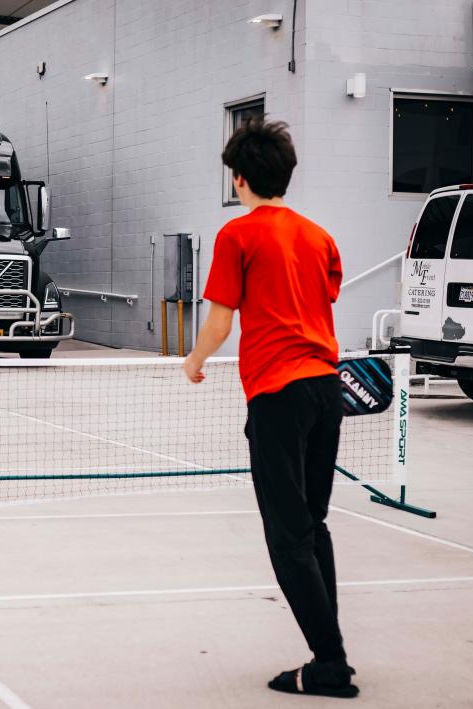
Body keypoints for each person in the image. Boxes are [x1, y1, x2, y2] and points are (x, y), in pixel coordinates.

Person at [183, 117, 357, 698]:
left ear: (238, 180)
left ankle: (330, 663)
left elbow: (220, 319)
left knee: (288, 537)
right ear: (285, 174)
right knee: (313, 523)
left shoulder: (237, 236)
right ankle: (331, 651)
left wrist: (193, 360)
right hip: (326, 390)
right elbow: (324, 293)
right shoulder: (320, 237)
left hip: (278, 395)